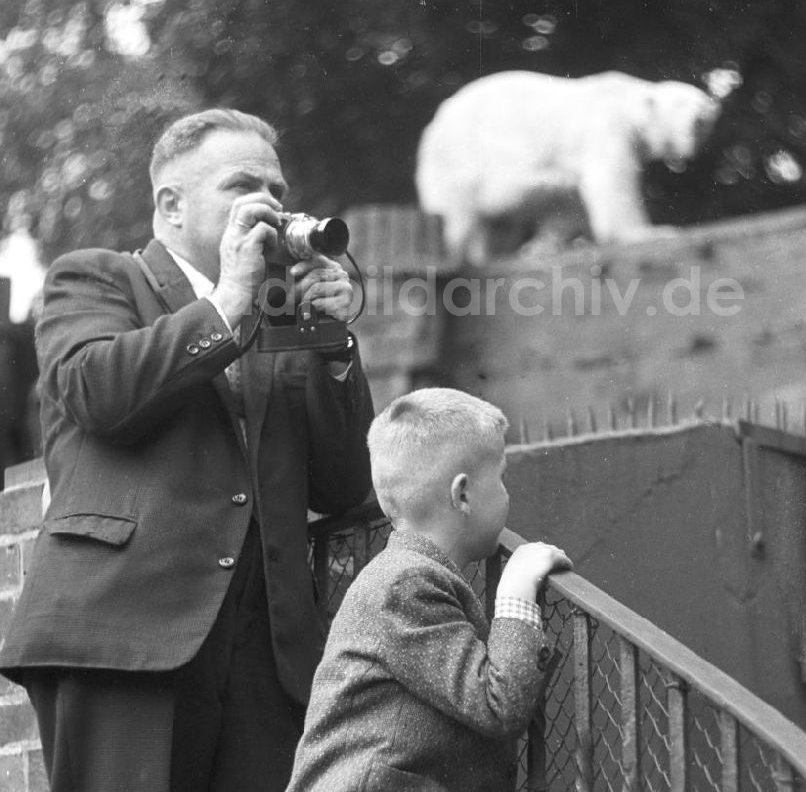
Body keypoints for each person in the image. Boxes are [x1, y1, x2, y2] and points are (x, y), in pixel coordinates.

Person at [0, 108, 375, 792]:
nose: (268, 204)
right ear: (170, 206)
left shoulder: (281, 316)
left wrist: (335, 346)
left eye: (278, 190)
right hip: (123, 638)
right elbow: (99, 394)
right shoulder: (96, 278)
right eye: (241, 185)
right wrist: (227, 304)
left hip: (267, 658)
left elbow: (346, 485)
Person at [286, 387, 571, 792]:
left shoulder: (406, 573)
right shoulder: (405, 584)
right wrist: (516, 591)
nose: (506, 491)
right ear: (463, 494)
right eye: (501, 476)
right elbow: (498, 705)